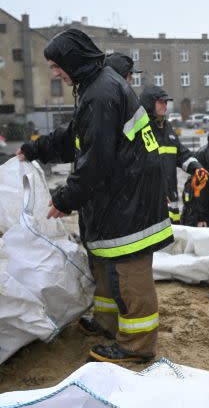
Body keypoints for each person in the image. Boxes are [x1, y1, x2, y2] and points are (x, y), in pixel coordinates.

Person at [17, 28, 170, 363]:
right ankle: (107, 322)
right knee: (104, 261)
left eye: (57, 65)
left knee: (130, 270)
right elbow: (76, 135)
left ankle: (137, 345)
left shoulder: (101, 92)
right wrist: (35, 149)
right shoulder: (95, 87)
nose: (55, 72)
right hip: (120, 194)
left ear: (72, 61)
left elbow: (96, 161)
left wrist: (65, 198)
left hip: (130, 198)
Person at [139, 85, 205, 224]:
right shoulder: (142, 129)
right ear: (149, 104)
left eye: (166, 102)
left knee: (173, 241)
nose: (165, 106)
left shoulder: (167, 127)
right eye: (160, 102)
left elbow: (181, 154)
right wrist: (156, 190)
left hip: (171, 201)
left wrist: (197, 167)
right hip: (150, 204)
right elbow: (141, 168)